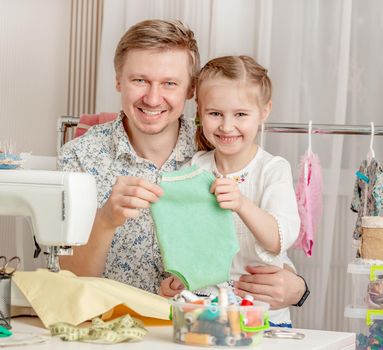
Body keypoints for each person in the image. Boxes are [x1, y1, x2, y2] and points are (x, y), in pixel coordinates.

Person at [57, 19, 308, 309]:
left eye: (169, 83)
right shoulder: (80, 157)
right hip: (115, 326)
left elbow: (254, 239)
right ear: (118, 80)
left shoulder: (219, 144)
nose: (152, 98)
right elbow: (67, 277)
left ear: (191, 90)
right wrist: (104, 221)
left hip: (201, 326)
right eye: (140, 80)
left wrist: (297, 288)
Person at [158, 55, 301, 326]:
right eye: (215, 113)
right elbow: (190, 239)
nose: (226, 126)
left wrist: (241, 204)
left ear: (264, 111)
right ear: (199, 111)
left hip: (259, 311)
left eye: (241, 114)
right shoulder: (195, 167)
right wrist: (181, 277)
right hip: (205, 308)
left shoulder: (272, 169)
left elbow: (278, 241)